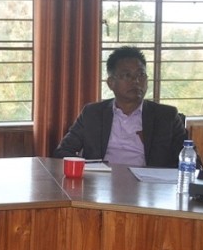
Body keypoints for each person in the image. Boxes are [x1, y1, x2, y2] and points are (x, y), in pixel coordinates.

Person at [53, 45, 187, 167]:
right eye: (127, 75)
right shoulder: (92, 114)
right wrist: (86, 168)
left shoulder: (166, 116)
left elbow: (191, 161)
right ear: (111, 83)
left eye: (141, 74)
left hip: (148, 187)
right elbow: (63, 151)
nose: (136, 81)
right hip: (100, 184)